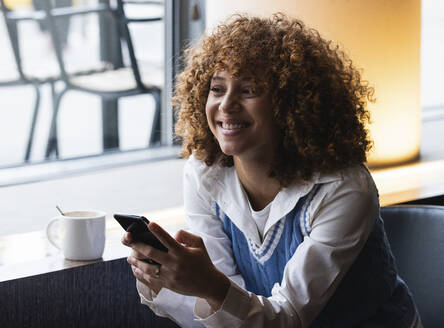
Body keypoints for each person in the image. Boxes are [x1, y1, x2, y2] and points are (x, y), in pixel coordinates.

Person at [122, 12, 421, 327]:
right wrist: (167, 279)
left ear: (290, 104)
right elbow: (227, 312)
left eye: (248, 90)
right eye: (218, 88)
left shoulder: (342, 188)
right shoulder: (204, 173)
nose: (226, 105)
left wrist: (209, 285)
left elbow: (288, 318)